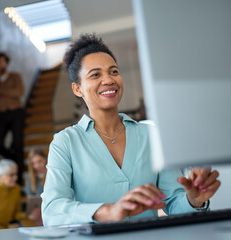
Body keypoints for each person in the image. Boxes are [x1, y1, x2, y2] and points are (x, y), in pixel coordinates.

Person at [41, 34, 221, 226]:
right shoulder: (66, 142)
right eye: (95, 75)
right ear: (77, 89)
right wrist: (108, 211)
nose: (108, 80)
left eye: (114, 72)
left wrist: (194, 200)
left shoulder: (151, 136)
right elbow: (52, 210)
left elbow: (173, 204)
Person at [0, 52, 25, 184]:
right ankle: (13, 159)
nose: (2, 65)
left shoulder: (15, 76)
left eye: (4, 62)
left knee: (18, 144)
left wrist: (0, 91)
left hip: (16, 112)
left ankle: (17, 181)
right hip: (1, 114)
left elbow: (19, 92)